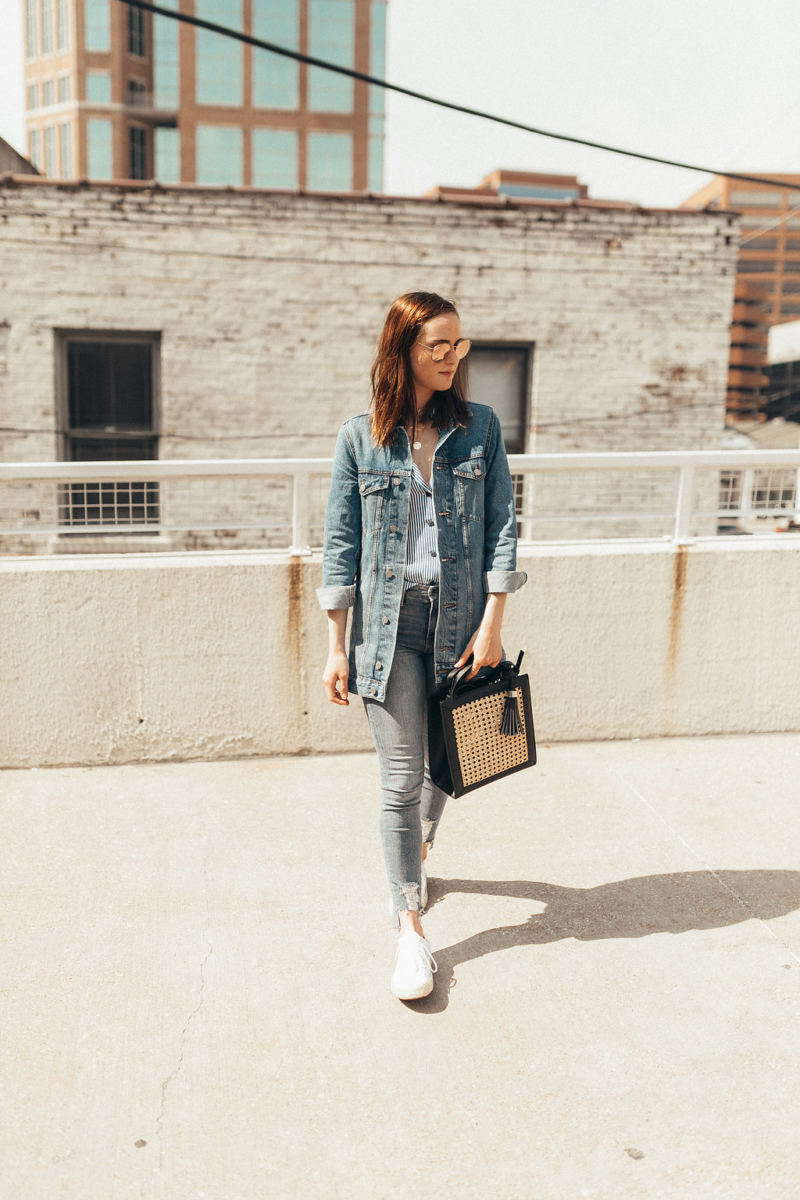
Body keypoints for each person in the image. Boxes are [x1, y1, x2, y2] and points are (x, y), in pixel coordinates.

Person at [317, 291, 527, 1000]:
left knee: (447, 760)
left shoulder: (481, 429)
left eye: (458, 345)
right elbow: (340, 548)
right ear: (402, 348)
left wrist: (494, 622)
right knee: (400, 776)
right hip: (386, 627)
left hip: (461, 618)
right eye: (438, 345)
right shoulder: (359, 439)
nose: (451, 357)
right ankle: (410, 927)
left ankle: (419, 849)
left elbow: (503, 524)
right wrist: (335, 645)